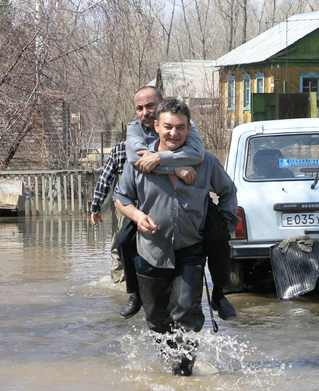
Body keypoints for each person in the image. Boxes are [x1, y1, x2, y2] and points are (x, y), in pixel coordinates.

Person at [113, 99, 238, 375]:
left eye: (180, 127)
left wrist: (226, 226)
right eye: (167, 126)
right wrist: (136, 216)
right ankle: (171, 363)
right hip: (149, 252)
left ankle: (184, 375)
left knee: (187, 313)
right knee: (157, 320)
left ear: (189, 128)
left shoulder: (205, 162)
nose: (174, 133)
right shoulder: (138, 163)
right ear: (156, 126)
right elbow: (120, 198)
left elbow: (228, 191)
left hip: (190, 249)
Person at [91, 141, 127, 284]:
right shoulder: (160, 143)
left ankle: (118, 283)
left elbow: (105, 179)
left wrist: (96, 206)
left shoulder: (120, 148)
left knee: (118, 243)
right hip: (149, 202)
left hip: (123, 203)